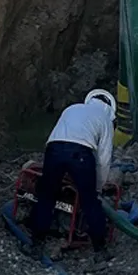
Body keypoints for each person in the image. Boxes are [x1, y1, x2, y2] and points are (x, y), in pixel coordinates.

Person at [30, 89, 116, 250]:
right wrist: (98, 187)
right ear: (110, 109)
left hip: (54, 150)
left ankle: (36, 241)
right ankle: (100, 247)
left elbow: (58, 135)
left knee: (46, 195)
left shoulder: (72, 108)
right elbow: (104, 159)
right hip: (80, 153)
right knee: (89, 200)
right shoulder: (105, 120)